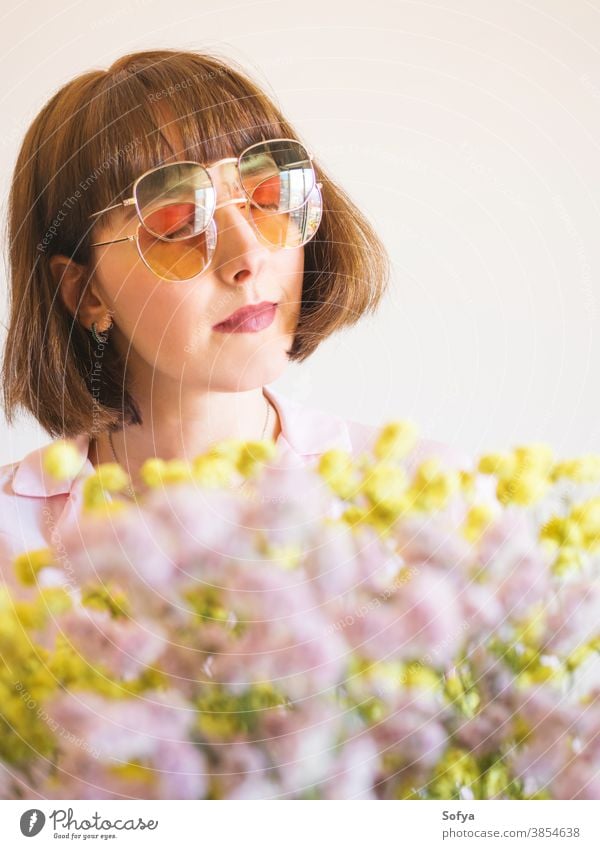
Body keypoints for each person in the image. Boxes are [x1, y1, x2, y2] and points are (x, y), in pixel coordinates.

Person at [0, 48, 466, 560]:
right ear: (85, 292)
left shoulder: (427, 502)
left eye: (266, 200)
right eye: (177, 225)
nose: (249, 255)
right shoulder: (12, 541)